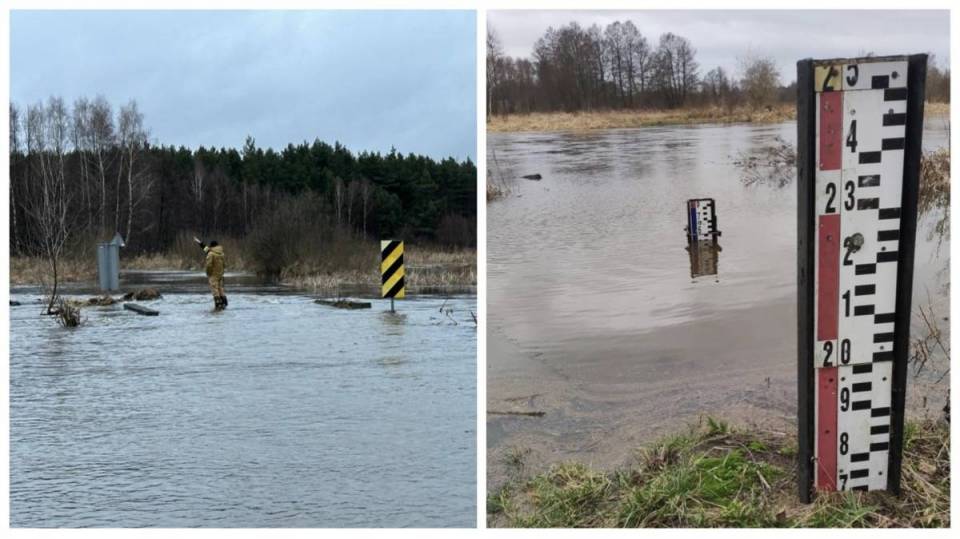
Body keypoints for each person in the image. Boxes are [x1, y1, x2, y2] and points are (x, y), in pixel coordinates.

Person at [195, 237, 227, 310]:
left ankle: (218, 304)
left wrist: (208, 273)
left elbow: (209, 265)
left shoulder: (211, 254)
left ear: (212, 246)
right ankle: (224, 302)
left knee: (214, 289)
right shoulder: (221, 253)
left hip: (213, 274)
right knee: (220, 288)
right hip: (220, 274)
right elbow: (224, 264)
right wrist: (199, 242)